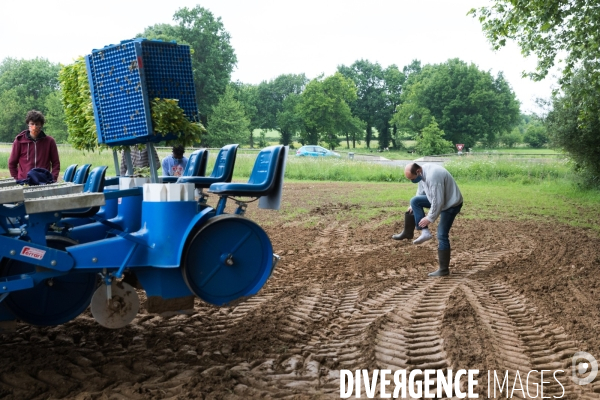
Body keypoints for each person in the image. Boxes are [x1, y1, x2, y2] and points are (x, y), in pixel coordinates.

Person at [392, 162, 463, 277]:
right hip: (440, 199)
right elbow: (421, 191)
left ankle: (444, 270)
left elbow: (438, 201)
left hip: (451, 204)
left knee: (441, 234)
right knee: (414, 201)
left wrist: (429, 218)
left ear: (418, 171)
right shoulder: (422, 173)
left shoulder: (433, 176)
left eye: (412, 178)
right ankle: (412, 232)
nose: (412, 181)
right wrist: (413, 206)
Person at [8, 110, 60, 182]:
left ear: (41, 125)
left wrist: (52, 179)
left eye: (37, 124)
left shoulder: (50, 141)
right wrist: (17, 180)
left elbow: (56, 163)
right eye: (32, 124)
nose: (34, 127)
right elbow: (12, 163)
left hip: (44, 182)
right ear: (28, 125)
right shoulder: (19, 141)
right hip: (24, 182)